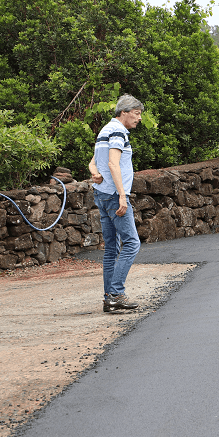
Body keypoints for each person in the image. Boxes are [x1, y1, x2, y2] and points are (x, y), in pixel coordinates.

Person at [88, 95, 144, 313]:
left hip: (101, 195)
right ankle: (116, 294)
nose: (139, 118)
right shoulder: (119, 131)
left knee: (111, 248)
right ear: (124, 112)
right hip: (113, 196)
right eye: (137, 114)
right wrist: (123, 196)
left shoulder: (104, 130)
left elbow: (94, 162)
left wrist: (95, 174)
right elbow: (113, 163)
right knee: (131, 244)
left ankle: (109, 299)